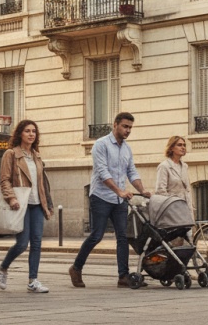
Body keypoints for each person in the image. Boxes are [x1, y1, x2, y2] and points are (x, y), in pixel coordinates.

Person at [68, 112, 151, 289]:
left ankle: (123, 276)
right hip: (101, 197)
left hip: (119, 200)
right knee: (96, 235)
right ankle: (76, 268)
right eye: (125, 126)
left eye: (130, 127)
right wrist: (119, 190)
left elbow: (132, 172)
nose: (128, 130)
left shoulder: (127, 149)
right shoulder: (101, 144)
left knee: (123, 237)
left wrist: (142, 190)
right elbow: (102, 171)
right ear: (115, 125)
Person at [0, 120, 54, 293]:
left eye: (34, 131)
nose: (31, 134)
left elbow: (43, 183)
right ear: (20, 133)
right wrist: (11, 198)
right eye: (27, 131)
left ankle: (33, 280)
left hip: (36, 204)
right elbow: (4, 179)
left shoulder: (37, 156)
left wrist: (47, 204)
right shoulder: (11, 154)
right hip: (21, 204)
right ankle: (2, 267)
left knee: (37, 243)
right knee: (22, 244)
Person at [155, 135, 194, 221]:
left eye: (184, 145)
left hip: (185, 209)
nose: (183, 147)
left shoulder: (184, 166)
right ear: (172, 148)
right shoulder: (164, 166)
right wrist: (172, 206)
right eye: (179, 145)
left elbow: (187, 189)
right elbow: (160, 191)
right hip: (172, 211)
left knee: (188, 234)